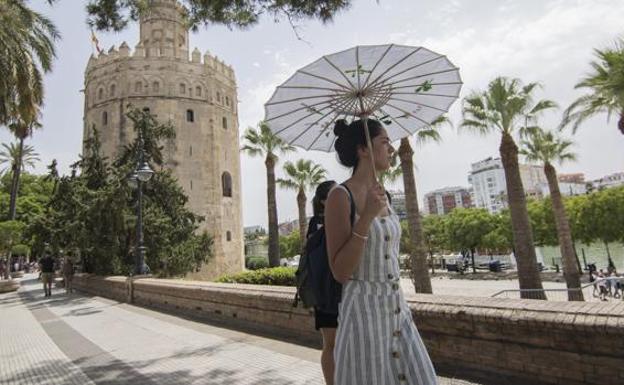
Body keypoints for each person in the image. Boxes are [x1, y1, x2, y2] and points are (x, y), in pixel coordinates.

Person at [325, 119, 437, 385]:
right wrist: (366, 218)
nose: (392, 150)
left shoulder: (382, 193)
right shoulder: (340, 196)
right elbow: (340, 271)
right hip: (363, 314)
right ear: (363, 149)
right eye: (385, 142)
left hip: (398, 309)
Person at [307, 179, 338, 385]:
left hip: (322, 293)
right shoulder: (333, 221)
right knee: (333, 344)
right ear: (326, 201)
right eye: (337, 194)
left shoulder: (313, 224)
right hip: (333, 291)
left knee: (329, 344)